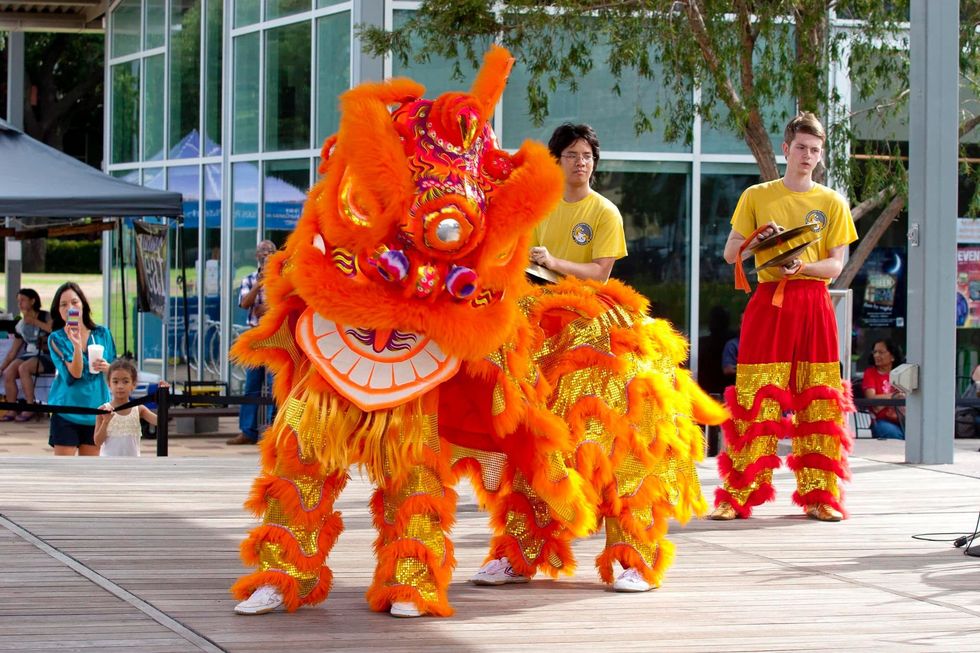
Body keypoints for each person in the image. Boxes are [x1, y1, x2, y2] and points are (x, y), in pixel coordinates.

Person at [710, 112, 858, 523]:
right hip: (769, 301)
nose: (807, 156)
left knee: (820, 399)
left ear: (821, 154)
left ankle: (821, 496)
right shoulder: (757, 196)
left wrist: (803, 267)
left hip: (813, 303)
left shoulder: (832, 202)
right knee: (755, 398)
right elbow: (730, 253)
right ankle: (737, 494)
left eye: (815, 150)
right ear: (786, 149)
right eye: (801, 148)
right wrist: (757, 239)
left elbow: (836, 266)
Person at [528, 123, 627, 282]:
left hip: (584, 297)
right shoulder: (541, 207)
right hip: (541, 295)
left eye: (587, 156)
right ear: (556, 160)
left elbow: (600, 273)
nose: (580, 162)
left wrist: (554, 262)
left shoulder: (607, 212)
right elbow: (529, 260)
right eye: (571, 155)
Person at [47, 282, 116, 456]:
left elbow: (117, 371)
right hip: (66, 411)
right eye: (63, 304)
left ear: (83, 304)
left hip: (96, 411)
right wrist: (76, 344)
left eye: (74, 302)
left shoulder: (102, 333)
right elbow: (75, 373)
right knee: (64, 468)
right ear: (58, 310)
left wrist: (108, 368)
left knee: (89, 469)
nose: (70, 308)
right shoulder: (56, 338)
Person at [227, 240, 277, 445]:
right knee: (252, 384)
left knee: (275, 385)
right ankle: (248, 431)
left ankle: (273, 429)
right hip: (255, 335)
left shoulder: (281, 279)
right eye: (263, 252)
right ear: (257, 256)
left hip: (276, 335)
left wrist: (266, 309)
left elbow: (284, 304)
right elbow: (245, 303)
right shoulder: (249, 279)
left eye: (270, 252)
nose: (266, 255)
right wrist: (259, 284)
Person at [94, 359, 167, 456]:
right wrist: (105, 422)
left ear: (133, 384)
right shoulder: (103, 410)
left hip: (133, 463)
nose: (120, 386)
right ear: (109, 384)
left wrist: (163, 395)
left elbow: (161, 422)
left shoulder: (139, 409)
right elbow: (98, 442)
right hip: (108, 464)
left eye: (125, 381)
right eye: (115, 382)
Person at [0, 288, 53, 421]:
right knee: (8, 372)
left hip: (47, 354)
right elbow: (13, 351)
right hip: (29, 354)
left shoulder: (46, 316)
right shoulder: (21, 325)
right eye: (18, 301)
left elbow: (53, 330)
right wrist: (2, 367)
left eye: (23, 300)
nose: (20, 304)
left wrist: (34, 322)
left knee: (24, 368)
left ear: (33, 301)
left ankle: (30, 406)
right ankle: (12, 408)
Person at [861, 339, 905, 440]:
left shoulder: (901, 374)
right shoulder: (870, 373)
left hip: (902, 419)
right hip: (881, 421)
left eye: (881, 352)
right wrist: (894, 396)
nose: (876, 355)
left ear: (892, 356)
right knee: (896, 435)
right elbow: (872, 400)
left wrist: (885, 400)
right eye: (874, 352)